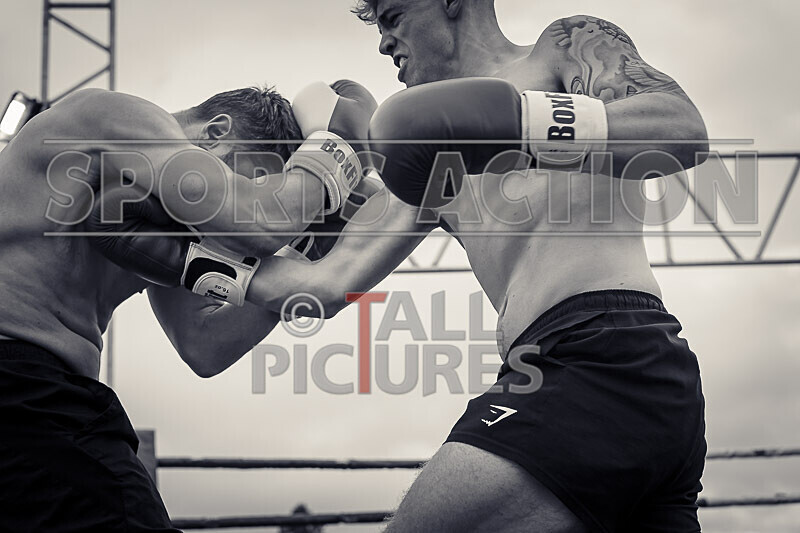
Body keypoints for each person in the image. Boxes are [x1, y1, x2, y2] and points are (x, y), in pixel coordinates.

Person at [88, 2, 708, 531]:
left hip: (606, 352)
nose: (384, 42)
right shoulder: (421, 154)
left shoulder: (564, 48)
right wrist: (188, 260)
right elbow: (321, 286)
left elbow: (681, 130)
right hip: (574, 372)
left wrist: (516, 121)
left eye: (393, 16)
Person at [0, 79, 376, 531]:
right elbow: (262, 219)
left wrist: (307, 250)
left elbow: (204, 343)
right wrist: (335, 155)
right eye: (254, 177)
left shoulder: (158, 219)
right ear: (215, 132)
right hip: (20, 383)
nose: (263, 195)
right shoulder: (112, 115)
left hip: (39, 398)